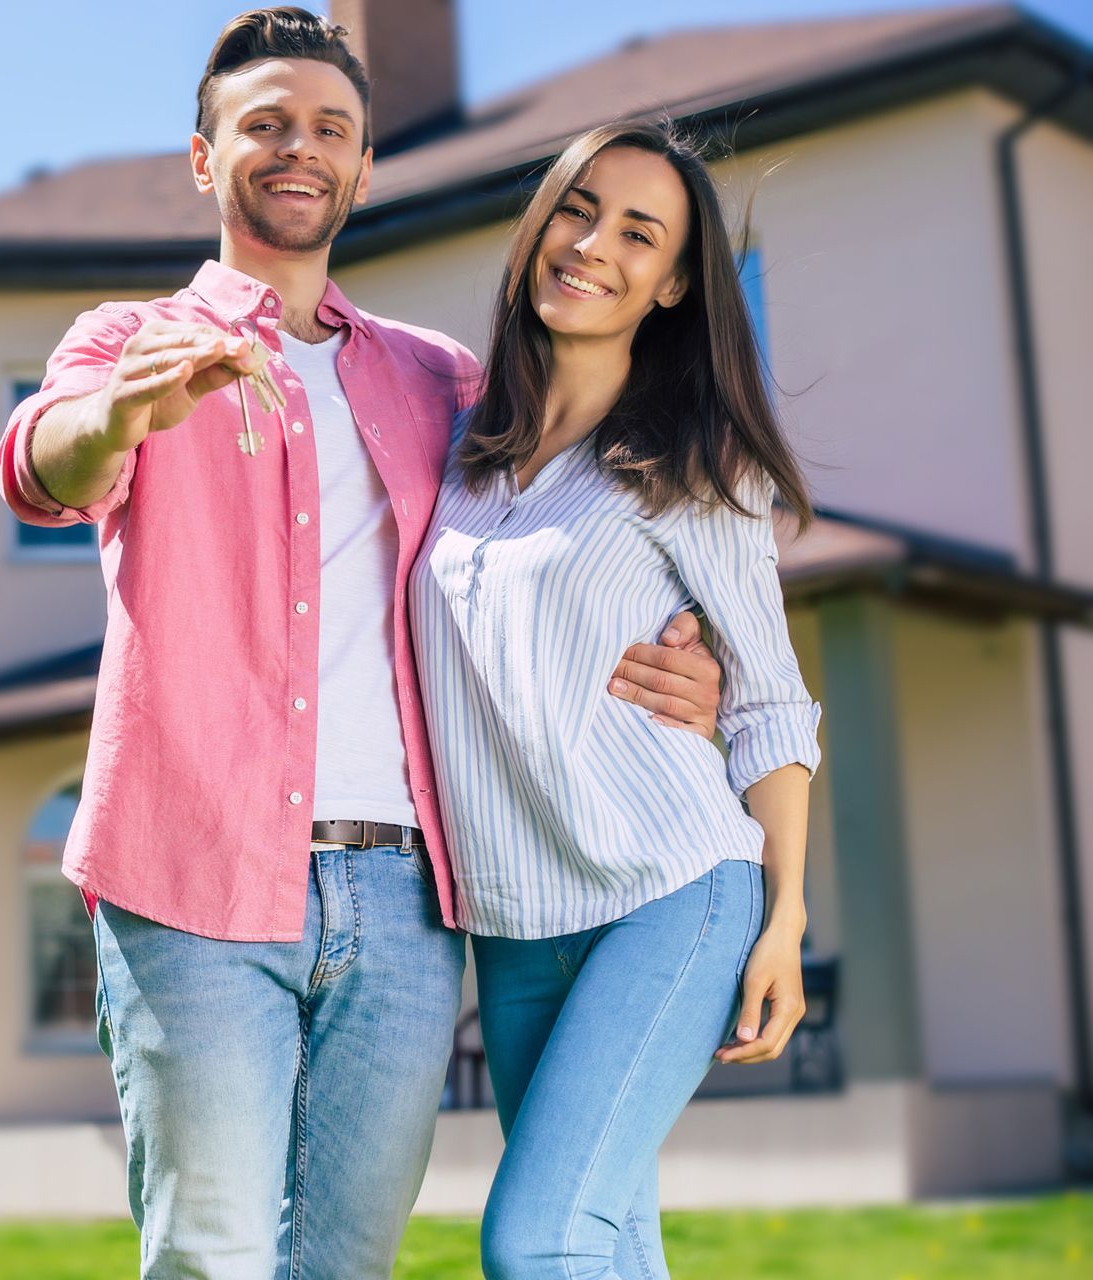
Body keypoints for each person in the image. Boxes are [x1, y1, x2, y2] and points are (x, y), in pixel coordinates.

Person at [0, 11, 722, 1277]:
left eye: (330, 126)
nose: (299, 147)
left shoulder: (441, 380)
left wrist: (691, 650)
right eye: (264, 123)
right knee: (214, 1251)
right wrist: (114, 416)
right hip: (193, 874)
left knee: (346, 1262)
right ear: (205, 158)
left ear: (365, 167)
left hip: (403, 900)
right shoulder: (126, 342)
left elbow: (553, 537)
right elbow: (41, 466)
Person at [409, 119, 820, 1280]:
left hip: (674, 891)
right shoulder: (456, 454)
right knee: (609, 1235)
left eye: (638, 232)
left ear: (676, 282)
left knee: (539, 1237)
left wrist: (784, 918)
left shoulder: (699, 463)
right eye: (576, 209)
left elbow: (772, 706)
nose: (591, 244)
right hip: (515, 920)